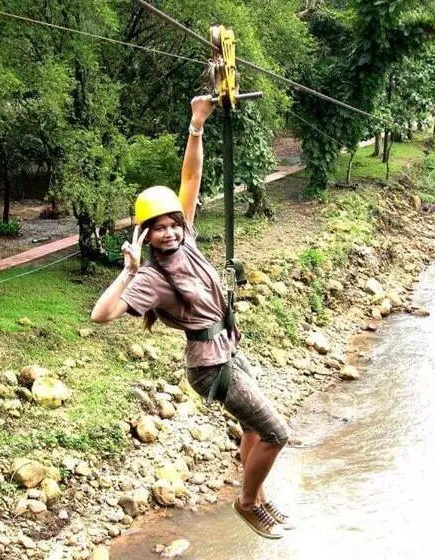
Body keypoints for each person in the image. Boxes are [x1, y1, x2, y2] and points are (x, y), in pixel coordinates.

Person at [91, 95, 292, 539]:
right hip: (210, 367)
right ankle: (246, 503)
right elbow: (101, 315)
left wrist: (196, 124)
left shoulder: (189, 241)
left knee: (253, 429)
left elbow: (191, 178)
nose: (169, 232)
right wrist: (126, 272)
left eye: (172, 224)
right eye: (158, 228)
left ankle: (256, 494)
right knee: (277, 432)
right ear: (146, 233)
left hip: (230, 350)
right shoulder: (152, 276)